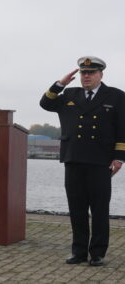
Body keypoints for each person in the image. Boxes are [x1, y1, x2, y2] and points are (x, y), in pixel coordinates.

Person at [40, 56, 125, 266]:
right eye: (83, 73)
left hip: (101, 161)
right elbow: (45, 103)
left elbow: (123, 128)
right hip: (74, 158)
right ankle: (78, 252)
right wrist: (60, 83)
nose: (86, 76)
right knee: (76, 208)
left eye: (91, 73)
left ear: (100, 74)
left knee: (99, 209)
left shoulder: (115, 96)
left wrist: (119, 157)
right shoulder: (69, 94)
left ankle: (97, 253)